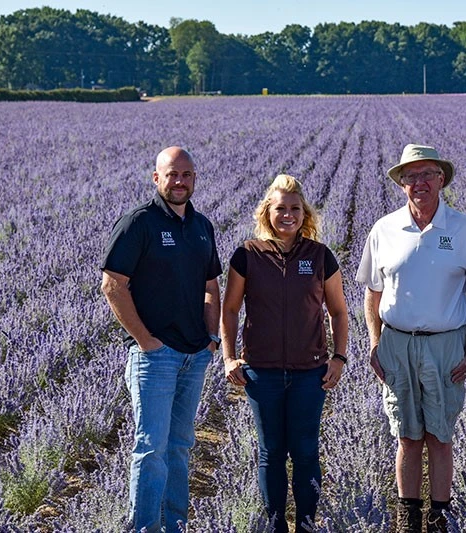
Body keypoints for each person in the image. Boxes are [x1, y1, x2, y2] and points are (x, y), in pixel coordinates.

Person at [356, 144, 466, 533]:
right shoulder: (384, 229)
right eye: (411, 177)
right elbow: (372, 292)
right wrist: (373, 342)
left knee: (440, 435)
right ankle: (409, 516)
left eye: (427, 174)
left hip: (446, 343)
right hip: (396, 343)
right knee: (406, 436)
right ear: (401, 185)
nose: (419, 183)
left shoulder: (464, 229)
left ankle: (440, 516)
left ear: (442, 179)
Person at [100, 146, 222, 532]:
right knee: (151, 449)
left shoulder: (202, 225)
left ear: (195, 179)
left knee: (180, 447)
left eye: (186, 174)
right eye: (172, 174)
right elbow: (113, 285)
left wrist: (211, 338)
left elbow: (211, 284)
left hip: (193, 354)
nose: (180, 181)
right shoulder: (139, 222)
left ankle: (175, 526)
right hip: (155, 357)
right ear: (157, 178)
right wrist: (146, 341)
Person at [220, 174, 349, 533]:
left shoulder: (320, 256)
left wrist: (338, 358)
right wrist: (230, 358)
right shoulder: (247, 254)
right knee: (271, 452)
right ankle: (276, 525)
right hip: (262, 373)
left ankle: (306, 524)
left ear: (304, 213)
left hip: (310, 372)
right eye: (280, 209)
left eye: (295, 209)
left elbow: (339, 311)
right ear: (267, 212)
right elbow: (229, 309)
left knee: (306, 451)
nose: (287, 215)